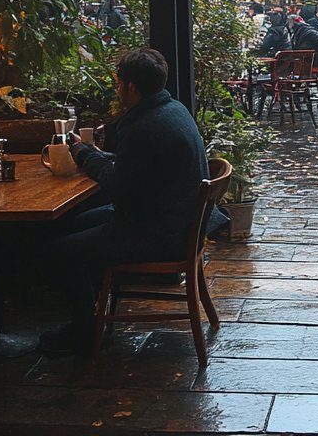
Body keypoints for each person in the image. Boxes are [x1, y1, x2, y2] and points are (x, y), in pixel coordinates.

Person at [41, 48, 222, 354]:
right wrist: (98, 155)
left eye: (118, 84)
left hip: (158, 233)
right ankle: (94, 315)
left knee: (61, 251)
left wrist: (84, 154)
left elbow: (117, 187)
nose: (117, 90)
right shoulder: (172, 109)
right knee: (78, 222)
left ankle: (83, 333)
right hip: (177, 222)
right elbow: (137, 168)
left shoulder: (143, 128)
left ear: (132, 87)